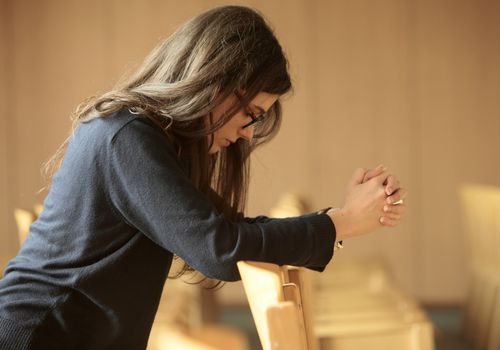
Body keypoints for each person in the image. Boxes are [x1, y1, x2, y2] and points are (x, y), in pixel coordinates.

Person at [0, 5, 406, 350]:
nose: (248, 133)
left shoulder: (143, 136)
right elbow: (221, 251)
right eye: (251, 115)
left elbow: (226, 232)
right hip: (39, 336)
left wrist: (339, 218)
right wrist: (345, 221)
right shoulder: (127, 136)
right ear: (215, 84)